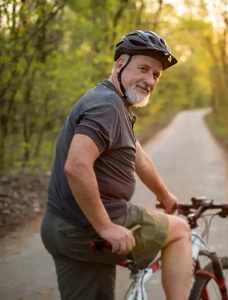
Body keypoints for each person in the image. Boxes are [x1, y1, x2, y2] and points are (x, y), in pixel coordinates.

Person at [41, 30, 193, 300]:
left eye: (156, 74)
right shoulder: (107, 106)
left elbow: (138, 156)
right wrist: (105, 227)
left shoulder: (113, 103)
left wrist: (164, 195)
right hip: (88, 227)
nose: (149, 80)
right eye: (143, 69)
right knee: (180, 230)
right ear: (120, 64)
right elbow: (76, 166)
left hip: (60, 227)